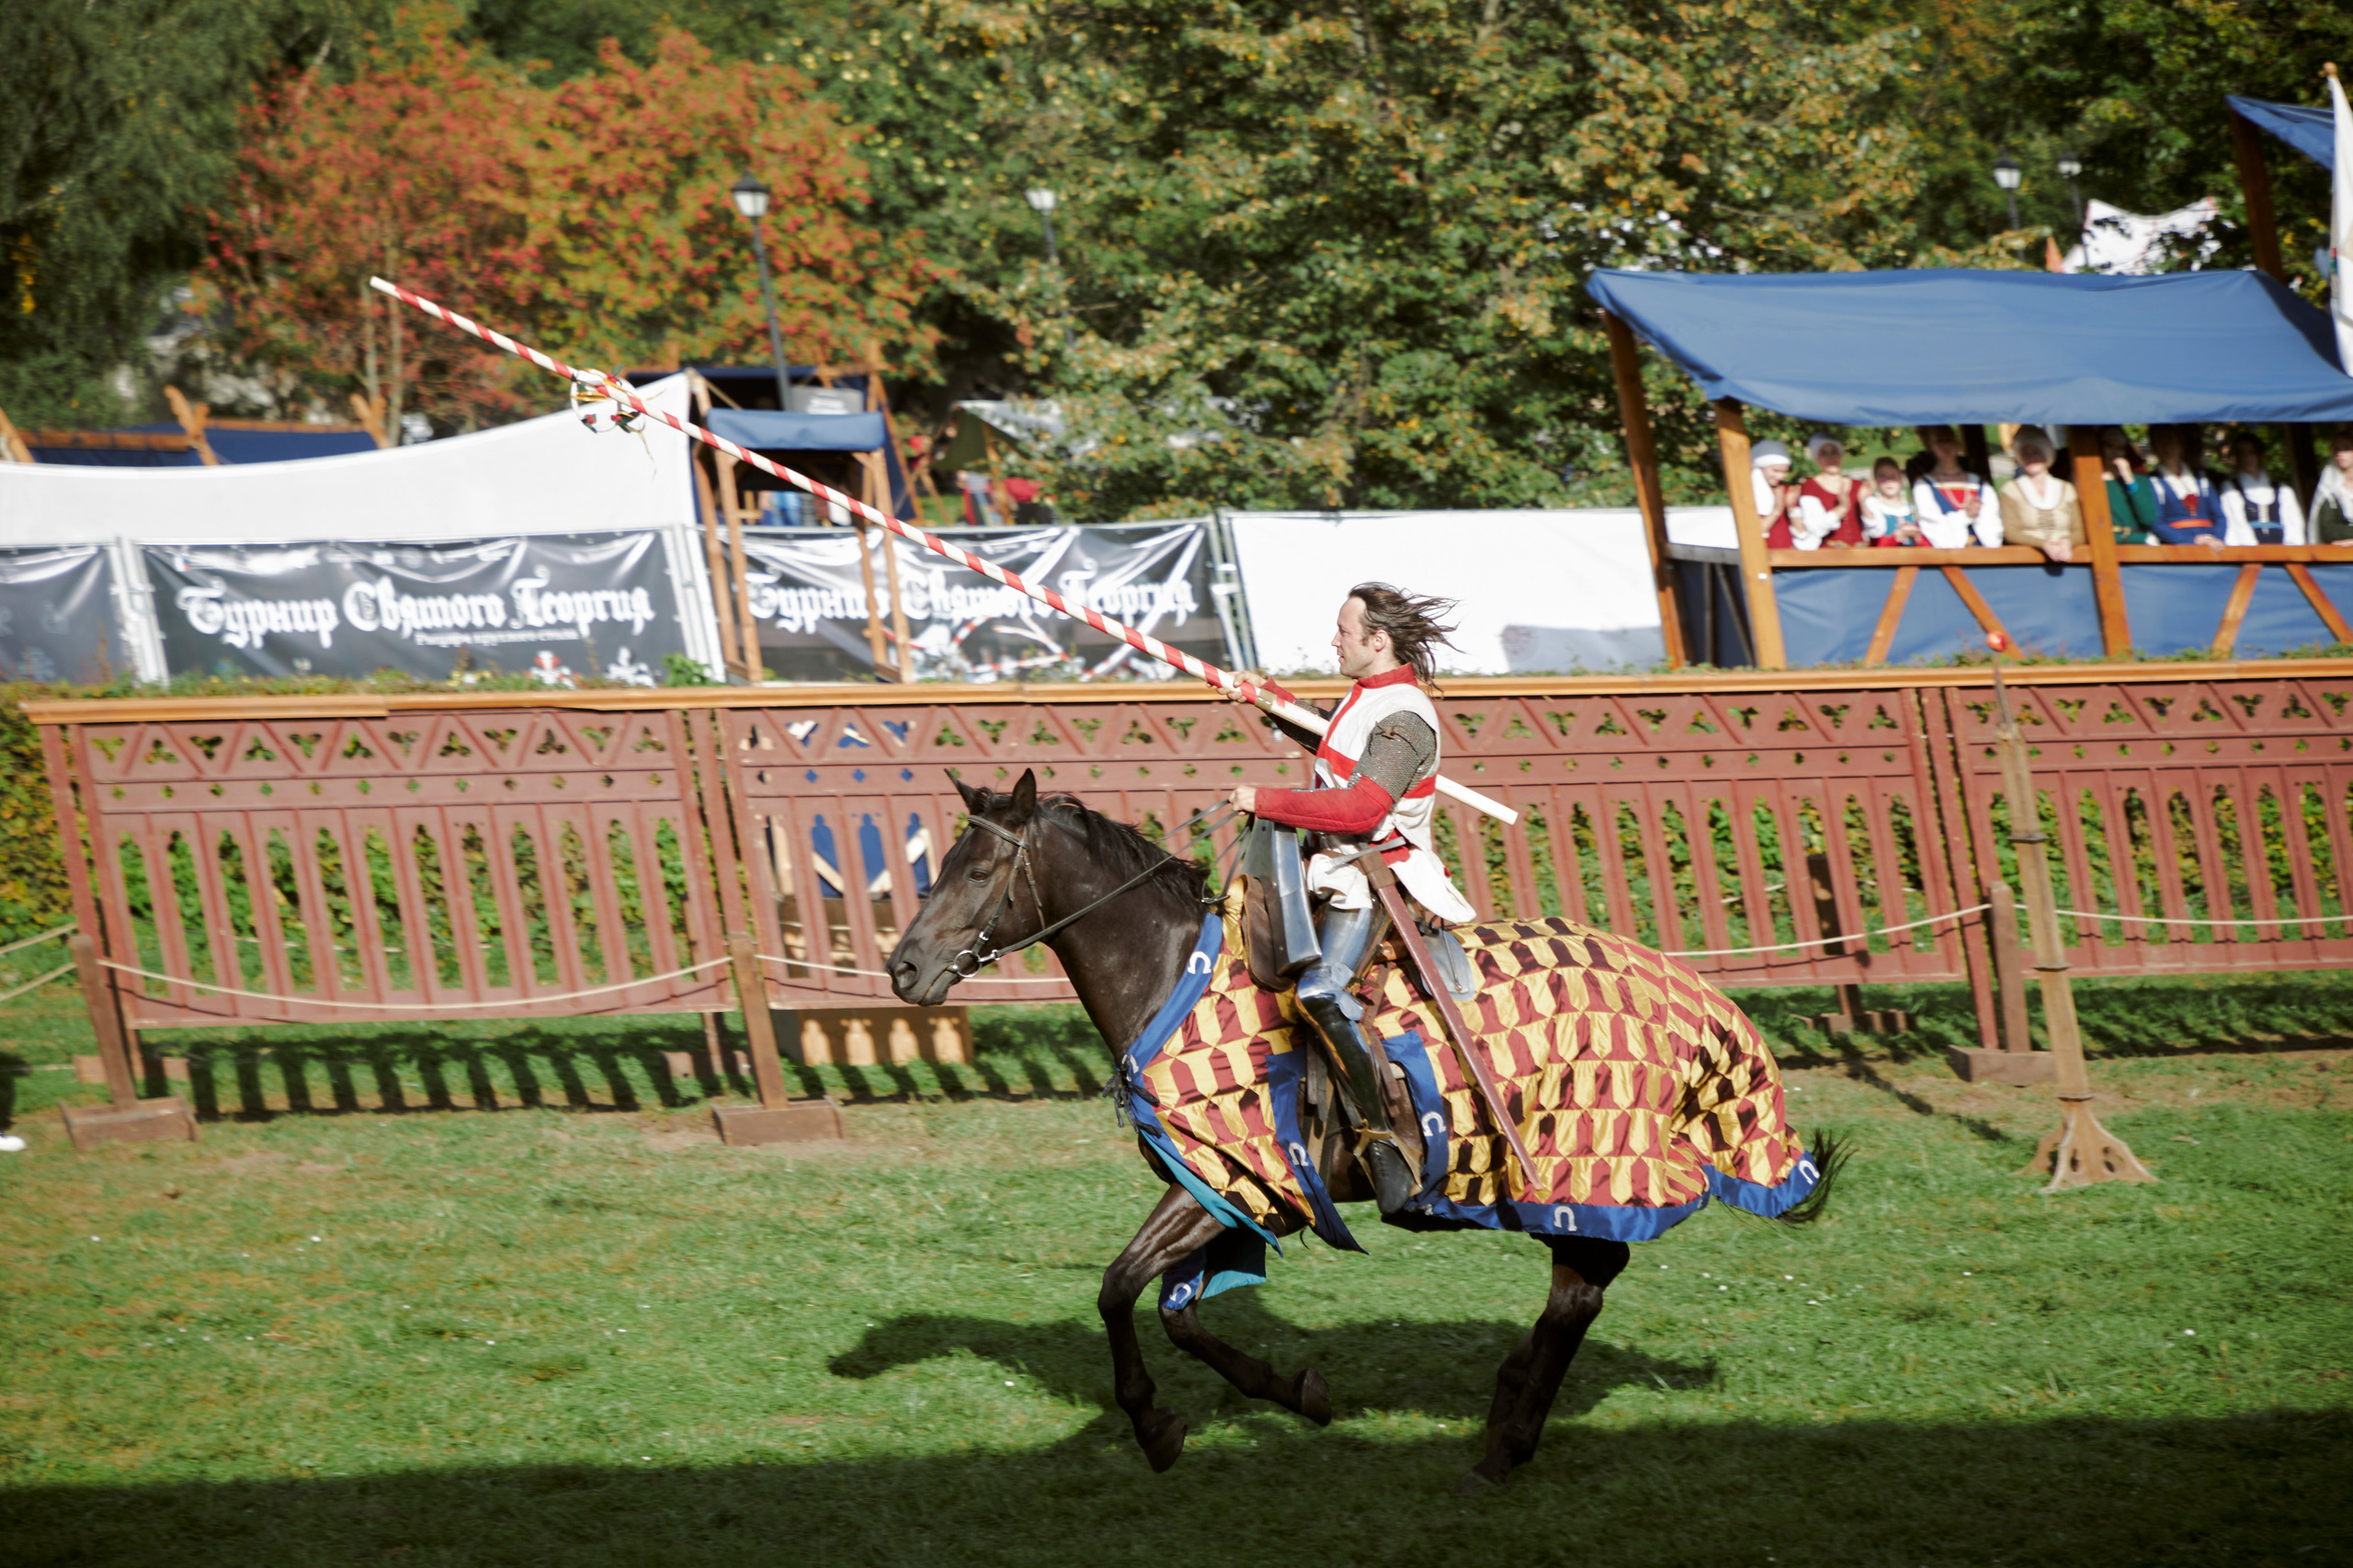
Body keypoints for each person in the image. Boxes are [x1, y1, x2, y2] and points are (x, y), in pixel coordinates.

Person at [1226, 585, 1476, 1215]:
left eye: (1343, 631)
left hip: (1371, 881)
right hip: (1331, 872)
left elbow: (1361, 808)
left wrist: (1266, 800)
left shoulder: (1405, 715)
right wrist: (1268, 702)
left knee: (1321, 995)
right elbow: (1334, 750)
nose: (1333, 641)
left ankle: (1383, 1142)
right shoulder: (1369, 697)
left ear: (1377, 640)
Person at [1997, 428, 2086, 562]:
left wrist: (2067, 542)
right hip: (2028, 560)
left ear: (2046, 454)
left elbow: (2079, 530)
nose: (2030, 457)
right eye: (2025, 452)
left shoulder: (2067, 489)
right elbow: (2011, 532)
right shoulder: (2010, 490)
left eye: (2035, 452)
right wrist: (2043, 544)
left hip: (2068, 557)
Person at [1910, 425, 2001, 548]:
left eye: (1949, 440)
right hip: (1948, 558)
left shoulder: (1979, 484)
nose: (1946, 446)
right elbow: (1936, 533)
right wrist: (1966, 516)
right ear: (1930, 446)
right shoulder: (1923, 487)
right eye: (1939, 442)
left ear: (1956, 443)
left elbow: (1993, 534)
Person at [2218, 431, 2305, 545]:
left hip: (2282, 553)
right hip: (2250, 555)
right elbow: (2236, 525)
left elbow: (2295, 526)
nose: (2247, 458)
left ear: (2261, 455)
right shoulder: (2231, 489)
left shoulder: (2283, 490)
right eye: (2242, 453)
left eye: (2251, 453)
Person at [2147, 426, 2224, 548]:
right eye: (2161, 442)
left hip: (2212, 546)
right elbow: (2156, 522)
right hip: (2176, 549)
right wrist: (2191, 540)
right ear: (2154, 447)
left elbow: (2219, 516)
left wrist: (2214, 538)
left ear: (2180, 444)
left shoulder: (2201, 478)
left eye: (2170, 441)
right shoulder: (2153, 481)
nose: (2167, 447)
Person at [1794, 434, 1864, 548]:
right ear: (1816, 458)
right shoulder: (1811, 486)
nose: (1830, 457)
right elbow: (1815, 528)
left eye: (1834, 452)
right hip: (1829, 555)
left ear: (1841, 455)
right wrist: (1841, 508)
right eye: (1824, 453)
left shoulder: (1858, 485)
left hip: (1862, 552)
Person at [2097, 426, 2156, 543]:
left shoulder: (2139, 479)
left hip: (2139, 544)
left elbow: (2148, 518)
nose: (2114, 452)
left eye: (2120, 448)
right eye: (2109, 446)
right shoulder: (2091, 481)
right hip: (2106, 544)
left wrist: (2130, 480)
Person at [1861, 457, 1923, 545]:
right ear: (1875, 480)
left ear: (1900, 480)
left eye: (1893, 477)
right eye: (1883, 476)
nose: (1888, 481)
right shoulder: (1874, 505)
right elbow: (1875, 539)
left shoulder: (1911, 509)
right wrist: (1898, 535)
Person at [1749, 440, 1801, 547]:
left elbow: (1801, 532)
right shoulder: (1748, 495)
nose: (1781, 477)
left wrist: (1791, 508)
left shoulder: (1787, 491)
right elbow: (1754, 533)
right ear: (1761, 467)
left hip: (1787, 555)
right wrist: (1777, 510)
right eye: (1776, 471)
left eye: (1784, 472)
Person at [2313, 427, 2353, 545]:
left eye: (2346, 448)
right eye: (2336, 449)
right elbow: (2328, 530)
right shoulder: (2329, 488)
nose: (2340, 453)